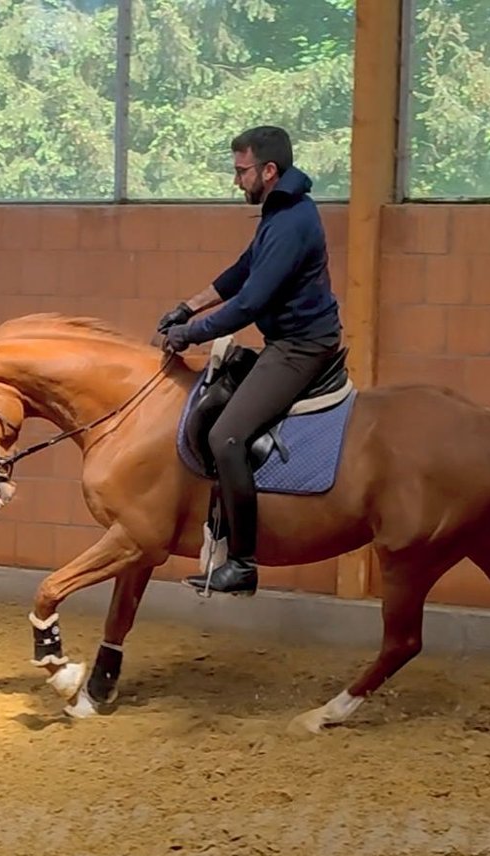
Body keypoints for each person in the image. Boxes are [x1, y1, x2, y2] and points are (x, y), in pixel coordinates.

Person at [157, 125, 344, 595]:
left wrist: (190, 334)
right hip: (285, 341)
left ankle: (242, 563)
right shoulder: (280, 212)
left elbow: (250, 303)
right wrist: (188, 305)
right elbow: (242, 270)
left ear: (269, 170)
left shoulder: (293, 222)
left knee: (227, 435)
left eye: (241, 171)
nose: (236, 181)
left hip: (301, 347)